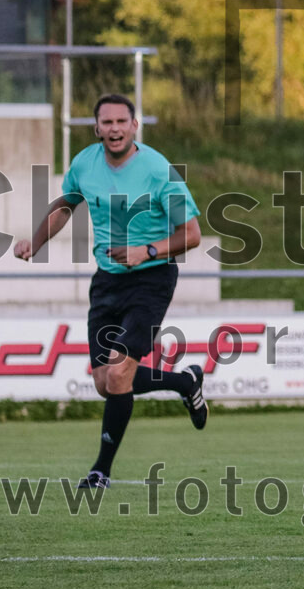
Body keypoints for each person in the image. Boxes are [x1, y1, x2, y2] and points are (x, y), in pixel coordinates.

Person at [14, 93, 207, 490]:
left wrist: (146, 250)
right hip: (106, 281)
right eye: (107, 122)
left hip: (152, 278)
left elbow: (191, 235)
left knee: (120, 374)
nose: (115, 129)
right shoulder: (85, 163)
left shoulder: (157, 170)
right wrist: (37, 241)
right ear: (97, 127)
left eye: (122, 122)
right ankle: (185, 382)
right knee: (105, 382)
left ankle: (100, 471)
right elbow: (65, 205)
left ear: (134, 126)